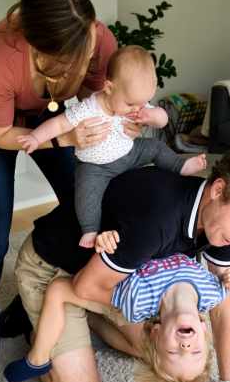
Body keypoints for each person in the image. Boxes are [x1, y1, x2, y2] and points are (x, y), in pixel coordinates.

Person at [0, 0, 142, 382]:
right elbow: (2, 135)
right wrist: (65, 139)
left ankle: (28, 304)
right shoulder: (3, 52)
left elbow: (106, 102)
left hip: (57, 118)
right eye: (71, 60)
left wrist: (130, 121)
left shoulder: (99, 41)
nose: (85, 65)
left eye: (87, 53)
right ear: (36, 47)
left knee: (85, 210)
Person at [5, 146, 230, 382]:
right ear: (218, 189)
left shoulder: (220, 223)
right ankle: (38, 326)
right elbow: (83, 287)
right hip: (57, 271)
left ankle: (88, 317)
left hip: (120, 274)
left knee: (161, 352)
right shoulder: (156, 220)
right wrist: (157, 307)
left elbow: (222, 303)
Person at [17, 45, 207, 248]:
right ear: (109, 88)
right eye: (130, 105)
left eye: (142, 104)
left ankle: (182, 166)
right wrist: (36, 138)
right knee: (85, 192)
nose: (136, 110)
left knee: (153, 145)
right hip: (95, 167)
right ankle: (90, 230)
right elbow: (58, 123)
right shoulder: (88, 108)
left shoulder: (136, 103)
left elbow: (162, 120)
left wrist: (151, 116)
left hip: (130, 153)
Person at [4, 249, 230, 382]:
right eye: (195, 351)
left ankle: (75, 320)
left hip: (107, 288)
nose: (186, 346)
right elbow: (64, 288)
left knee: (147, 353)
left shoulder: (137, 302)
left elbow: (223, 307)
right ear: (204, 331)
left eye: (176, 351)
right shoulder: (141, 299)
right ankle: (45, 313)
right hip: (75, 278)